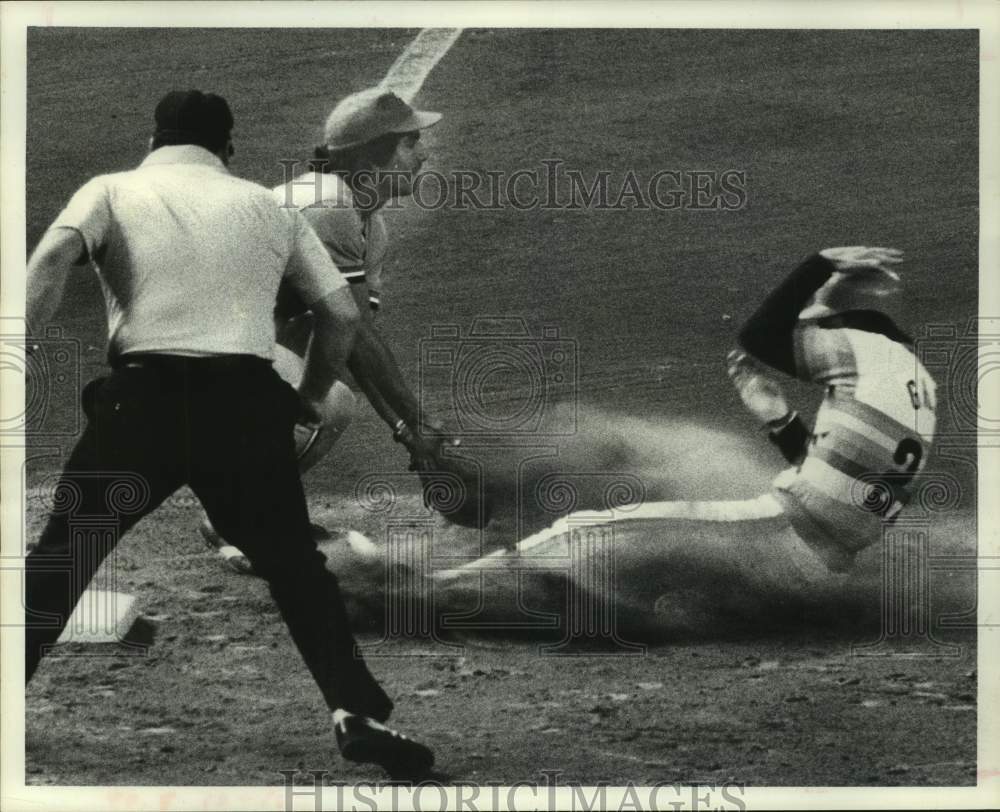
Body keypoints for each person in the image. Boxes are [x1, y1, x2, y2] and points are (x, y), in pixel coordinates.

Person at [24, 90, 434, 780]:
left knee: (66, 555)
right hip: (244, 411)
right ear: (228, 149)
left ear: (155, 140)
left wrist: (19, 345)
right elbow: (340, 317)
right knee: (299, 572)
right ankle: (355, 714)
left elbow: (50, 262)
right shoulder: (267, 206)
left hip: (141, 408)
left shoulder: (110, 189)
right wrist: (303, 399)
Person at [201, 87, 462, 574]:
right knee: (324, 402)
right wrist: (418, 423)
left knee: (324, 379)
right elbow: (358, 334)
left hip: (215, 353)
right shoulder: (327, 207)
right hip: (174, 362)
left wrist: (409, 432)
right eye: (409, 144)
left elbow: (350, 343)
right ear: (372, 157)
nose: (422, 154)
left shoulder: (368, 225)